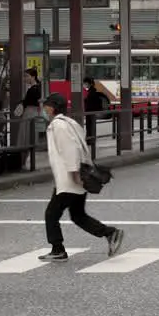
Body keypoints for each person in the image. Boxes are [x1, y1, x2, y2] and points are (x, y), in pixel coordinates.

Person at [40, 92, 125, 262]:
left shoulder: (59, 126)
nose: (44, 108)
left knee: (51, 214)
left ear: (53, 107)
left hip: (70, 178)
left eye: (46, 105)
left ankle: (58, 250)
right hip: (79, 176)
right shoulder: (71, 123)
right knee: (78, 215)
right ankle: (110, 233)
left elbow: (71, 150)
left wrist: (74, 173)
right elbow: (82, 147)